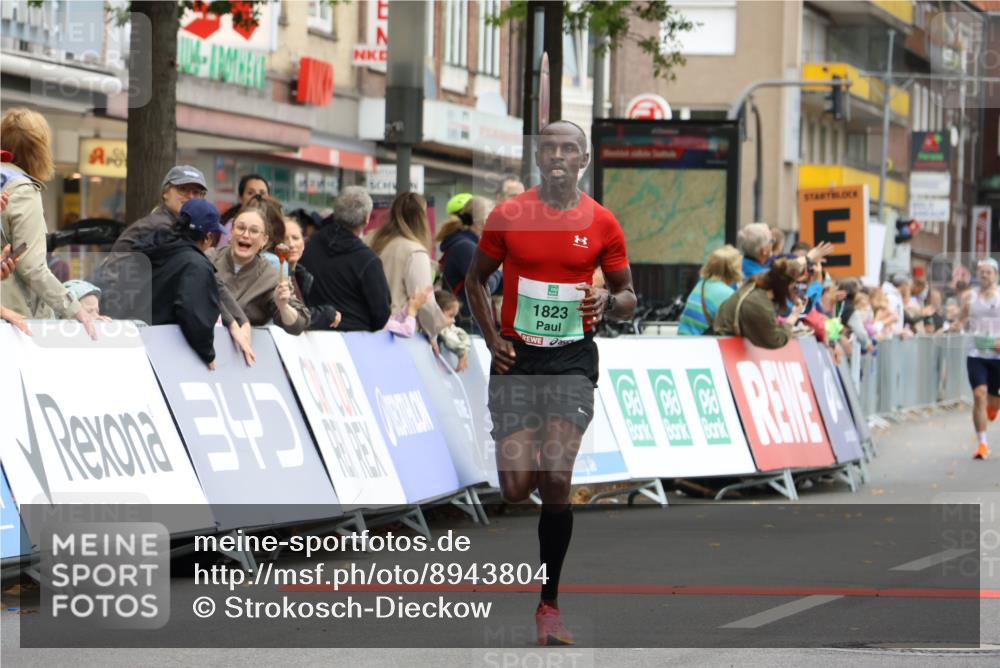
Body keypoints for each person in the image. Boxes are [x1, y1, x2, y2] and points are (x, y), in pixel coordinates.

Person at [466, 120, 636, 646]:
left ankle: (549, 606)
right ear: (538, 158)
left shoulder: (602, 222)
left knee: (557, 477)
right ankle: (540, 465)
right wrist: (492, 338)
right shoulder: (508, 215)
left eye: (568, 149)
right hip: (517, 362)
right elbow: (474, 280)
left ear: (583, 158)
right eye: (549, 149)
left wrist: (608, 300)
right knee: (518, 489)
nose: (558, 156)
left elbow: (629, 296)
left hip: (571, 362)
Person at [100, 164, 255, 364]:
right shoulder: (161, 227)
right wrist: (233, 323)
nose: (190, 196)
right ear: (165, 192)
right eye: (183, 189)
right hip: (122, 320)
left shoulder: (177, 228)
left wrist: (239, 321)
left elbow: (208, 277)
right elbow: (202, 280)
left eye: (197, 193)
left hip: (135, 323)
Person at [1, 108, 96, 338]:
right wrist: (76, 309)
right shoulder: (22, 190)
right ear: (39, 150)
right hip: (15, 322)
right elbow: (32, 267)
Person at [132, 199, 225, 368]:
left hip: (133, 343)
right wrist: (207, 353)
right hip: (165, 355)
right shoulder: (196, 265)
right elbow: (194, 314)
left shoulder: (155, 248)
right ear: (209, 236)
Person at [299, 186, 392, 332]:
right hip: (355, 337)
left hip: (309, 333)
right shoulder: (368, 261)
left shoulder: (309, 245)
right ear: (367, 219)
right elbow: (381, 315)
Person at [207, 207, 309, 334]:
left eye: (254, 231)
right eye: (241, 228)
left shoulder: (270, 276)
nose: (245, 235)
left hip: (244, 344)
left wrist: (283, 307)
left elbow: (298, 325)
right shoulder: (209, 258)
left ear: (264, 240)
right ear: (231, 232)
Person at [369, 192, 450, 344]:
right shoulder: (415, 251)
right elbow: (423, 300)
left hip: (372, 326)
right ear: (421, 218)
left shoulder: (374, 242)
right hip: (401, 332)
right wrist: (436, 332)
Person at [713, 257, 807, 349]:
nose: (796, 289)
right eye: (794, 285)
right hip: (726, 344)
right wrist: (794, 315)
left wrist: (791, 296)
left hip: (723, 338)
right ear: (786, 285)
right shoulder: (759, 304)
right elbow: (776, 340)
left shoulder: (757, 284)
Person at [437, 193, 498, 330]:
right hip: (467, 327)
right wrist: (497, 269)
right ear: (485, 221)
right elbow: (487, 285)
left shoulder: (469, 245)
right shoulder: (466, 247)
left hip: (469, 324)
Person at [959, 258, 1000, 460]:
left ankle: (993, 406)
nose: (984, 275)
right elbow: (961, 319)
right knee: (978, 394)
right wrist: (954, 326)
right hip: (976, 353)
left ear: (996, 275)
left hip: (997, 355)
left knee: (994, 401)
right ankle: (982, 443)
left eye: (988, 272)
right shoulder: (970, 297)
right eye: (981, 272)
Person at [285, 216, 341, 330]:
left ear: (303, 243)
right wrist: (327, 314)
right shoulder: (273, 273)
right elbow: (293, 317)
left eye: (295, 238)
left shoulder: (302, 276)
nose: (291, 244)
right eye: (284, 239)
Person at [678, 244, 742, 335]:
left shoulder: (702, 284)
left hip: (683, 339)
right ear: (733, 270)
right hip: (701, 342)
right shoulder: (726, 293)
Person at [220, 173, 270, 242]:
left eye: (262, 193)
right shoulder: (230, 225)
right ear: (240, 198)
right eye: (251, 193)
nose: (257, 197)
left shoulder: (277, 225)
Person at [434, 289, 470, 372]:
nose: (453, 320)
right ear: (437, 313)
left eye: (454, 316)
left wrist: (464, 350)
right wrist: (462, 353)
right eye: (451, 316)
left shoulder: (449, 326)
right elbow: (448, 336)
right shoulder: (439, 327)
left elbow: (462, 334)